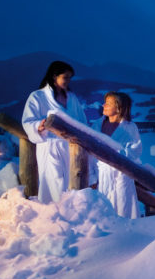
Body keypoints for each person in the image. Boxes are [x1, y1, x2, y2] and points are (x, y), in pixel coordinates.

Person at [22, 61, 88, 203]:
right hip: (50, 145)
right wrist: (38, 126)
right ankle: (52, 215)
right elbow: (27, 121)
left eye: (70, 78)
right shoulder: (37, 96)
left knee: (72, 183)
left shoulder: (72, 98)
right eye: (65, 77)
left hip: (71, 148)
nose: (68, 81)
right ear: (54, 76)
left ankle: (72, 214)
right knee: (53, 184)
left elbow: (82, 121)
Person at [92, 91, 142, 219]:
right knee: (103, 212)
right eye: (105, 103)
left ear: (119, 108)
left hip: (121, 175)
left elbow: (135, 150)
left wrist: (116, 154)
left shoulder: (130, 127)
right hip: (101, 174)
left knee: (123, 210)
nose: (104, 105)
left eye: (108, 104)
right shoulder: (97, 125)